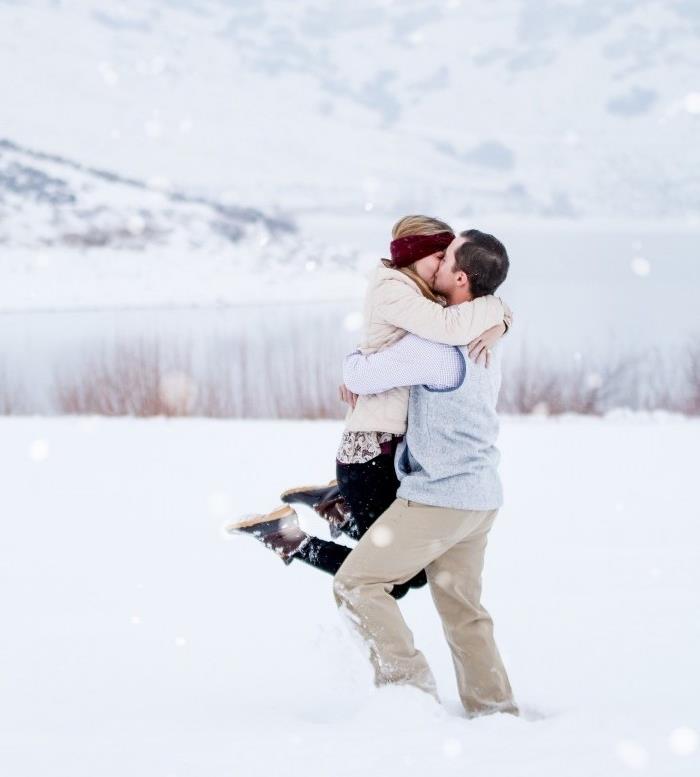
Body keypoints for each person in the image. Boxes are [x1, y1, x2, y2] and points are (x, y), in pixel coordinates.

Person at [228, 217, 510, 601]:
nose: (443, 265)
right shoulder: (396, 290)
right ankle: (289, 536)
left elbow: (466, 307)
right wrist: (496, 311)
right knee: (395, 580)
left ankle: (334, 510)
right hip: (370, 453)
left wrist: (501, 318)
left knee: (402, 571)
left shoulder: (424, 293)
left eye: (448, 259)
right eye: (439, 257)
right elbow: (449, 327)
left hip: (390, 453)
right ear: (418, 256)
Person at [333, 229, 517, 717]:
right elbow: (490, 311)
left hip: (440, 497)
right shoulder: (482, 338)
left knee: (357, 585)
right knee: (464, 611)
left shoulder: (435, 349)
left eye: (444, 260)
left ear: (460, 277)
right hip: (481, 497)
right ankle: (495, 709)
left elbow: (359, 376)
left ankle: (408, 696)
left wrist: (353, 362)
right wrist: (502, 316)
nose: (434, 267)